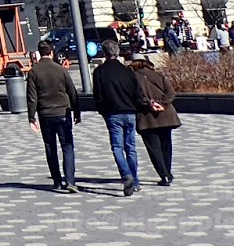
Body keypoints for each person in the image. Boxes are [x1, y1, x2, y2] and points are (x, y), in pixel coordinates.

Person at [25, 40, 81, 193]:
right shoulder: (61, 70)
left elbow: (32, 97)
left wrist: (31, 117)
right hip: (63, 112)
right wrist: (77, 112)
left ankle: (57, 181)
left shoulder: (33, 72)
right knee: (67, 146)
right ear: (51, 53)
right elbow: (72, 92)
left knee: (50, 147)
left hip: (45, 114)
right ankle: (70, 181)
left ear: (39, 53)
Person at [93, 40, 146, 196]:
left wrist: (102, 111)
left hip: (112, 113)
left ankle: (126, 175)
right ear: (117, 52)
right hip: (130, 112)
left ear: (104, 53)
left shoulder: (99, 72)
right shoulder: (127, 71)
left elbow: (98, 96)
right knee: (131, 147)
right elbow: (137, 93)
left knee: (117, 147)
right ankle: (135, 180)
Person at [131, 53, 180, 186]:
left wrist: (151, 104)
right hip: (166, 115)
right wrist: (162, 103)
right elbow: (171, 93)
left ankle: (163, 175)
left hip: (147, 117)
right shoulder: (159, 75)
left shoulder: (133, 77)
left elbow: (137, 97)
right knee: (166, 146)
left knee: (154, 149)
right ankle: (168, 172)